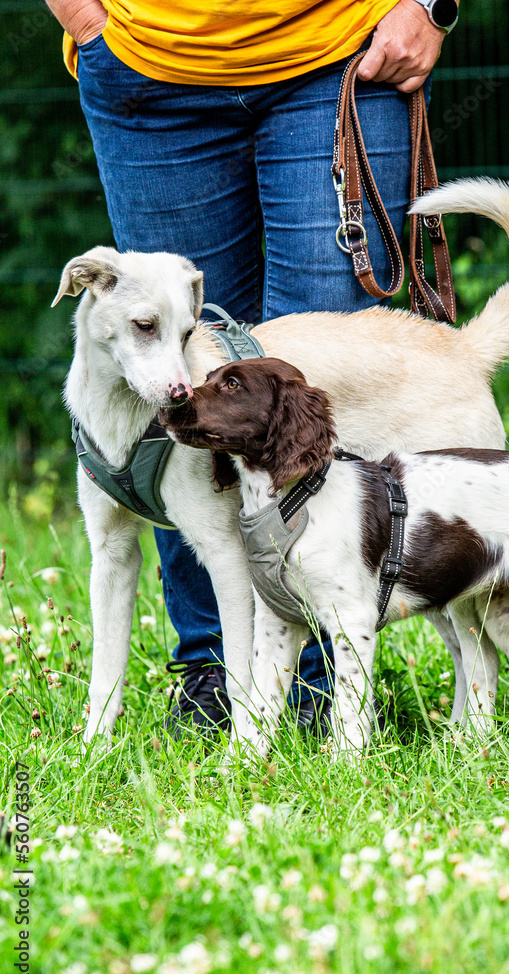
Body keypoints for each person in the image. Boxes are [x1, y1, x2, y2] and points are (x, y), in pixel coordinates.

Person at [45, 0, 460, 733]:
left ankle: (323, 683)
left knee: (305, 404)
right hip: (148, 63)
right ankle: (215, 676)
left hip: (340, 51)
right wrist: (86, 21)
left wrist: (430, 5)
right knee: (186, 428)